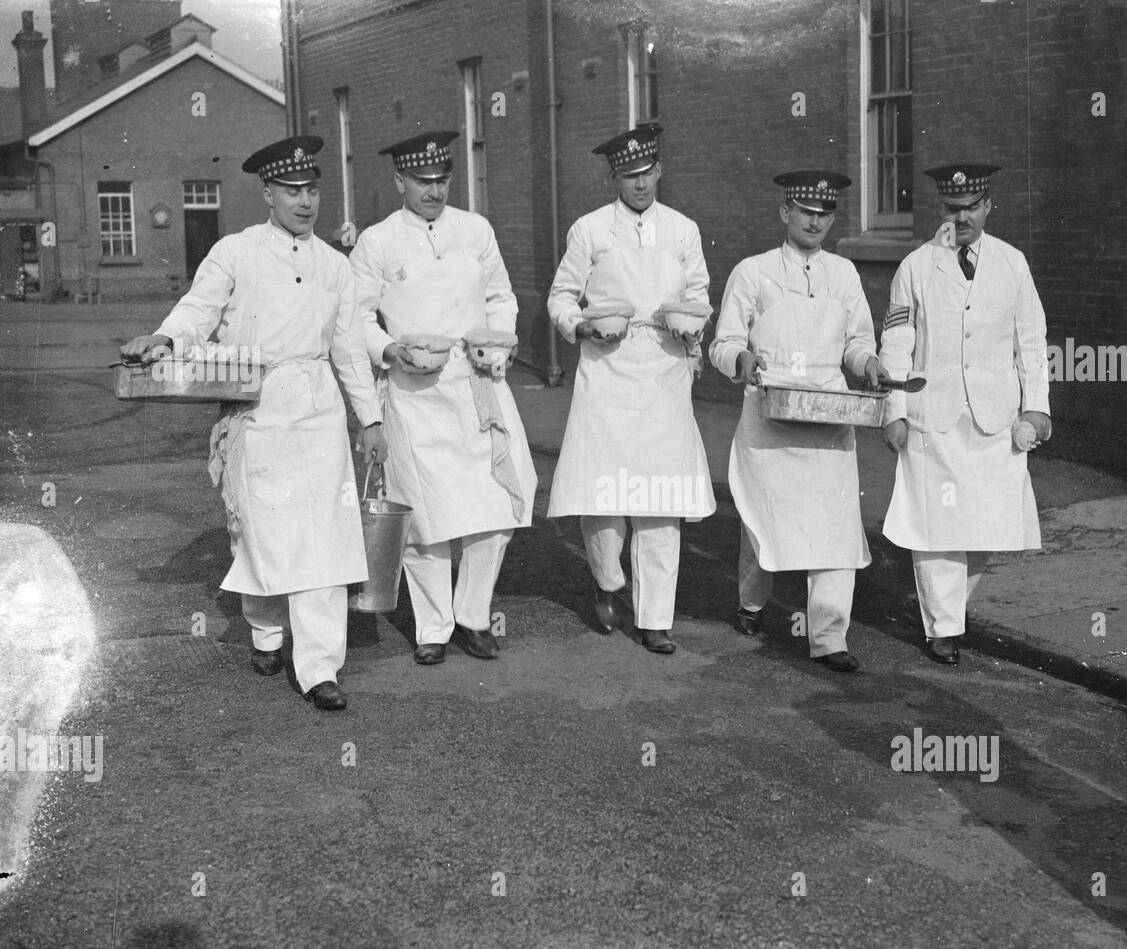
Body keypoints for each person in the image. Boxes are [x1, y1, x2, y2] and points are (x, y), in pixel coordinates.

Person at [119, 135, 387, 710]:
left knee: (323, 538)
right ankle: (266, 629)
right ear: (268, 193)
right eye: (291, 191)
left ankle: (320, 670)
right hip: (255, 404)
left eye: (312, 190)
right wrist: (166, 337)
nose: (304, 201)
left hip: (317, 408)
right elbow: (199, 310)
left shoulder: (336, 267)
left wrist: (370, 418)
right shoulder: (235, 252)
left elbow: (348, 351)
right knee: (261, 530)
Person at [349, 132, 536, 665]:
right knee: (426, 518)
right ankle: (433, 627)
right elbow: (356, 318)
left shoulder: (475, 230)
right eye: (422, 181)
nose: (433, 191)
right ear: (400, 181)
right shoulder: (378, 241)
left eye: (441, 180)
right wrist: (389, 351)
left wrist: (497, 343)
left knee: (497, 506)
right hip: (414, 392)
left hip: (479, 385)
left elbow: (501, 296)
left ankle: (474, 617)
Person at [547, 122, 716, 655]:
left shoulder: (683, 230)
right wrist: (580, 327)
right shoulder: (590, 230)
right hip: (607, 368)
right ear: (614, 176)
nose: (639, 184)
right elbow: (561, 296)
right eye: (628, 175)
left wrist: (692, 325)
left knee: (660, 499)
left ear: (659, 170)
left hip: (664, 369)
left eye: (647, 172)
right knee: (604, 491)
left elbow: (699, 295)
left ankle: (655, 618)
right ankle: (608, 580)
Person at [710, 171, 885, 671]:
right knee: (763, 518)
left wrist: (867, 363)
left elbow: (857, 341)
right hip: (770, 409)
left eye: (825, 213)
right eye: (806, 212)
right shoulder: (753, 271)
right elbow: (723, 341)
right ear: (786, 213)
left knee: (835, 524)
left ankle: (830, 638)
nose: (815, 221)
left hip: (829, 412)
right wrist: (741, 361)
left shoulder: (844, 274)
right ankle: (751, 603)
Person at [879, 164, 1052, 666]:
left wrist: (1037, 407)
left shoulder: (1012, 264)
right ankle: (943, 628)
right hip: (933, 416)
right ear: (941, 209)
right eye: (953, 208)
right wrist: (893, 409)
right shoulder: (915, 266)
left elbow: (1032, 341)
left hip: (996, 419)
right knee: (937, 527)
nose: (963, 217)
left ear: (987, 206)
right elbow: (896, 343)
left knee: (990, 524)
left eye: (971, 207)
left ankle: (950, 611)